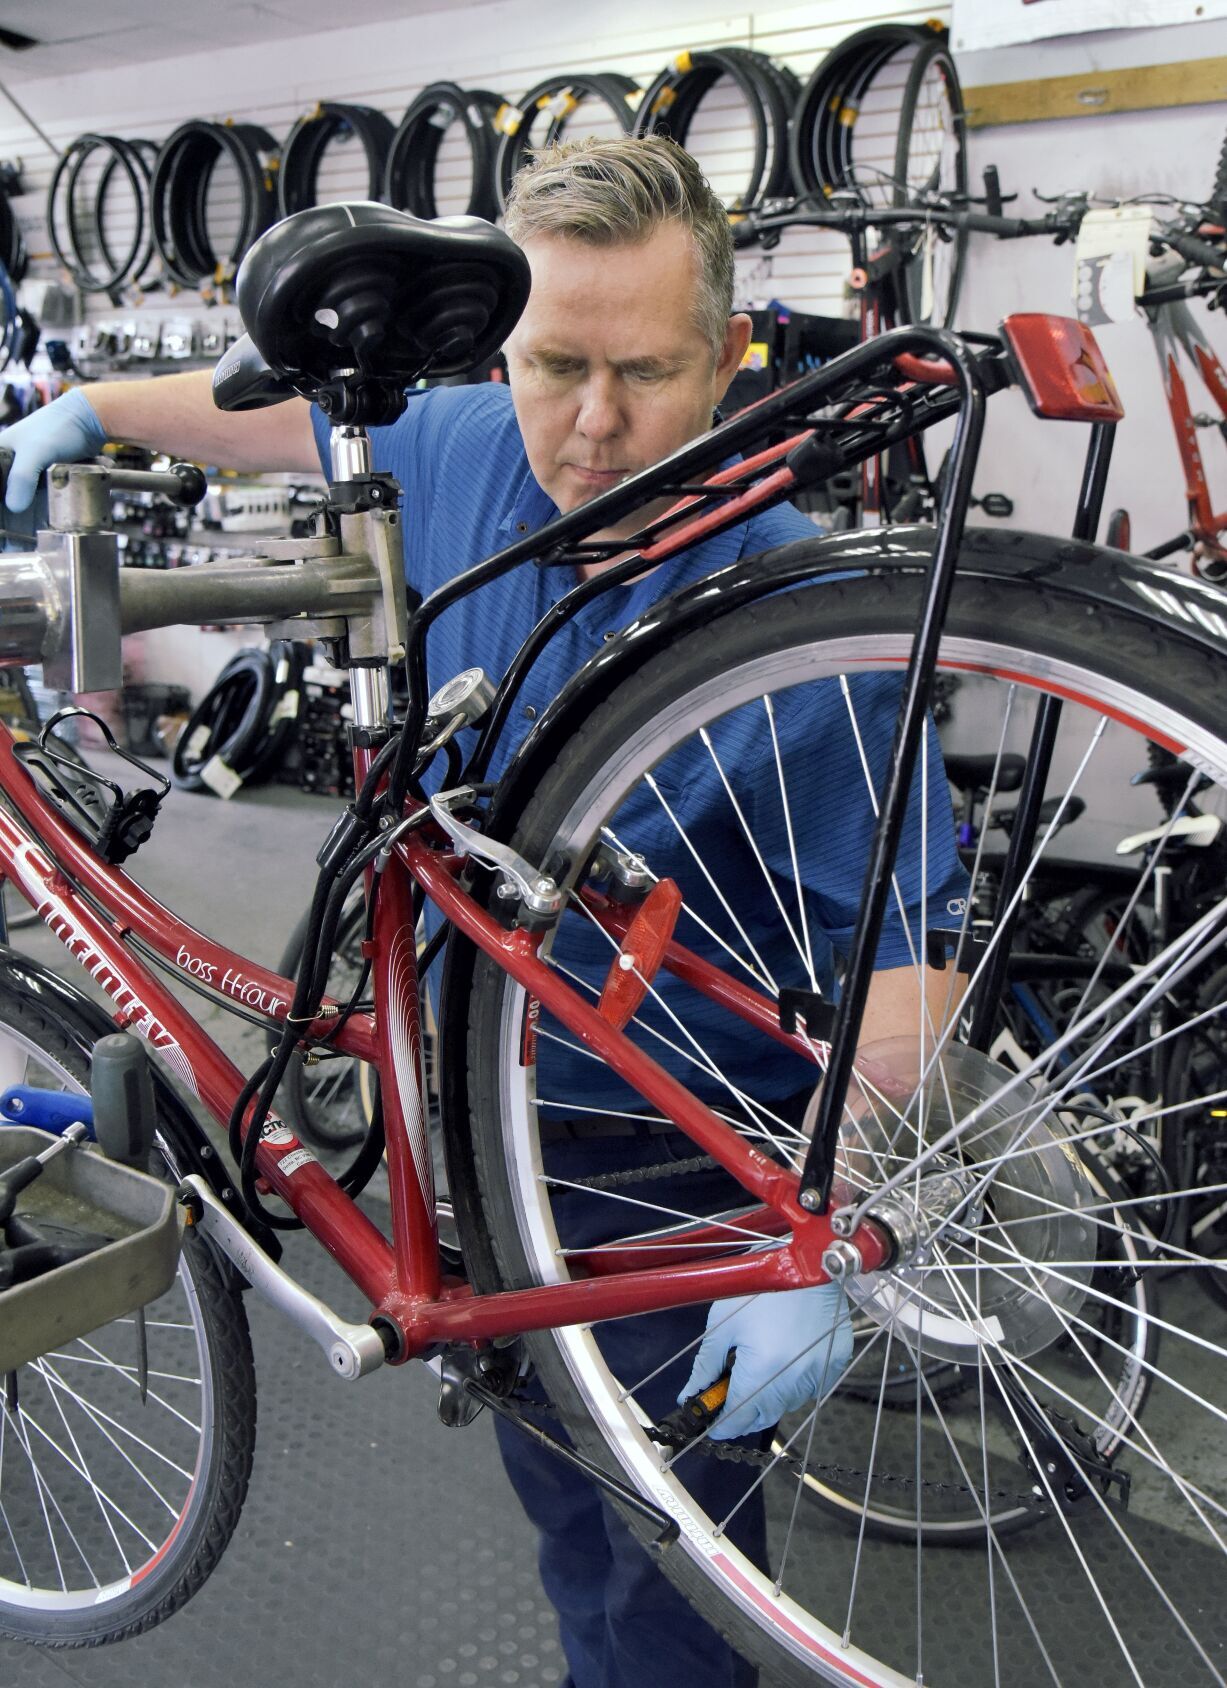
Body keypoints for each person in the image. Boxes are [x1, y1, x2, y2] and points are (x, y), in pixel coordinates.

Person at [1, 136, 966, 1688]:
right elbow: (284, 416)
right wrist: (92, 409)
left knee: (671, 1584)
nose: (590, 426)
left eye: (645, 371)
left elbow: (908, 979)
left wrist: (842, 1243)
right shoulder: (456, 443)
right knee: (566, 1519)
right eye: (553, 365)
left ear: (731, 354)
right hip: (480, 1130)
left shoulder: (804, 623)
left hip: (682, 1185)